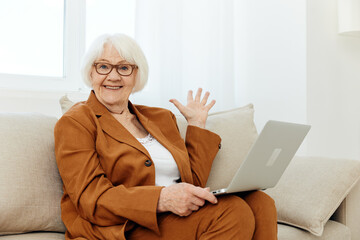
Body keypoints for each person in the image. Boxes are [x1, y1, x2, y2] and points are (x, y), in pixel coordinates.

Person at [54, 33, 277, 240]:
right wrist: (161, 199)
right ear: (91, 72)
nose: (113, 76)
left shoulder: (160, 118)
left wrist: (197, 125)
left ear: (136, 75)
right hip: (124, 226)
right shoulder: (77, 121)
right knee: (233, 212)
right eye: (103, 66)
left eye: (124, 68)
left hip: (171, 219)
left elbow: (192, 183)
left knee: (261, 202)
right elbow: (90, 198)